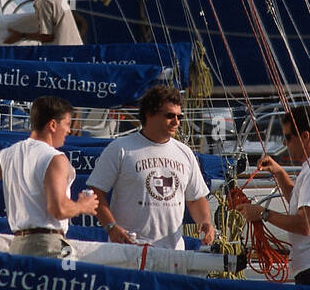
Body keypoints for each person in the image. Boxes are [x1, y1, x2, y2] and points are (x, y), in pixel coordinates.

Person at [0, 95, 98, 258]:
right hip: (50, 246)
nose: (69, 130)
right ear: (53, 125)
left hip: (18, 247)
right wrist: (83, 205)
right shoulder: (55, 159)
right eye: (67, 124)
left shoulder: (5, 155)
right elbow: (58, 209)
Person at [233, 104, 310, 290]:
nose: (285, 144)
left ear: (305, 136)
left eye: (288, 137)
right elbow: (299, 201)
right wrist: (279, 172)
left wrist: (263, 213)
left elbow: (305, 225)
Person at [88, 84, 215, 250]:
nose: (176, 122)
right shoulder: (120, 148)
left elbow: (196, 198)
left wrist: (205, 221)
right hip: (129, 249)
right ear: (149, 114)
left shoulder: (185, 153)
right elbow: (96, 192)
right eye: (170, 115)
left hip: (173, 253)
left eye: (179, 116)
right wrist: (111, 227)